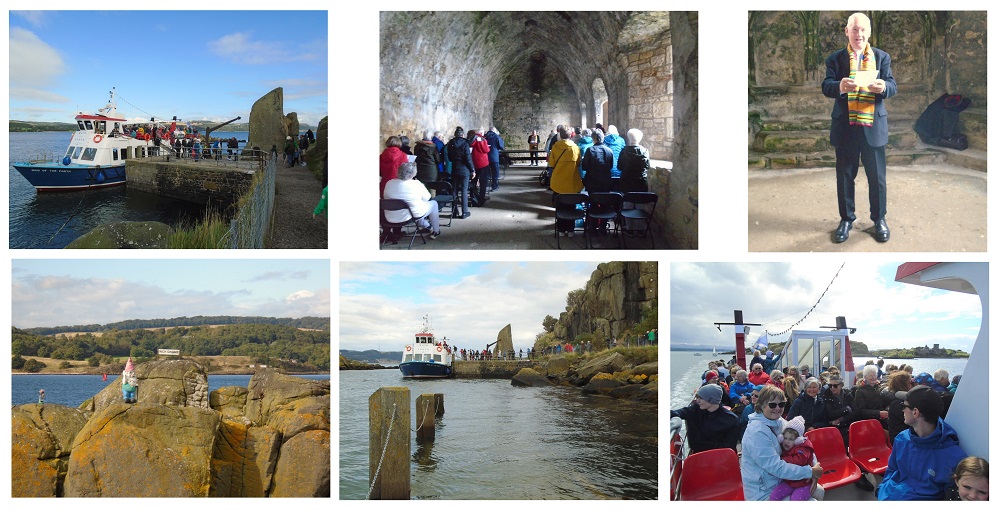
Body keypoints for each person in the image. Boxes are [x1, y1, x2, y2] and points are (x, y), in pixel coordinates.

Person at [822, 12, 897, 243]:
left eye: (863, 30)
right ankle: (846, 220)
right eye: (855, 29)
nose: (859, 34)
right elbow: (826, 86)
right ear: (847, 32)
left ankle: (879, 219)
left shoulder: (882, 57)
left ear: (869, 33)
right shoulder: (835, 59)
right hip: (846, 125)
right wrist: (840, 86)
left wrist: (883, 86)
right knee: (845, 176)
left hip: (872, 125)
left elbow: (893, 85)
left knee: (877, 178)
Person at [878, 385, 967, 500]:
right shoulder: (902, 439)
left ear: (915, 412)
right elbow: (892, 469)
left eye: (904, 406)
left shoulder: (955, 458)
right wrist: (882, 489)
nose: (903, 410)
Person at [742, 384, 825, 500]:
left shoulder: (779, 421)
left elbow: (803, 443)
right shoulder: (756, 431)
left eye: (781, 404)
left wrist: (814, 467)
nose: (777, 408)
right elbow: (775, 466)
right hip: (763, 489)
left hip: (781, 480)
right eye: (772, 405)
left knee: (820, 491)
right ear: (761, 405)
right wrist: (810, 472)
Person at [669, 383, 739, 454]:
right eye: (697, 397)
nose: (697, 401)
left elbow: (730, 445)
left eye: (701, 398)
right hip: (697, 455)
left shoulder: (731, 419)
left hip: (719, 457)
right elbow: (678, 412)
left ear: (712, 399)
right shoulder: (694, 410)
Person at [382, 162, 441, 240]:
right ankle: (436, 231)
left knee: (414, 205)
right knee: (433, 204)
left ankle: (427, 225)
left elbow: (385, 196)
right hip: (410, 216)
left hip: (389, 217)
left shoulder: (389, 183)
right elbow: (427, 197)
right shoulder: (416, 183)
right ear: (413, 173)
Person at [770, 416, 817, 501]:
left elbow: (799, 461)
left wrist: (783, 459)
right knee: (774, 496)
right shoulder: (789, 447)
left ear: (798, 440)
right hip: (790, 481)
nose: (787, 441)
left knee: (795, 500)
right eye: (785, 438)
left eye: (791, 439)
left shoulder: (803, 449)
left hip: (804, 483)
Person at [548, 126, 582, 236]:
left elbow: (552, 164)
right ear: (570, 135)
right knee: (571, 205)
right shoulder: (575, 148)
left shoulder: (555, 147)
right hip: (572, 180)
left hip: (558, 181)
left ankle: (561, 229)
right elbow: (578, 163)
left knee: (560, 205)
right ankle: (571, 230)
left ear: (560, 135)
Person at [446, 127, 474, 219]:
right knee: (464, 190)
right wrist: (472, 170)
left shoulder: (451, 143)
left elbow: (450, 158)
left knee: (454, 191)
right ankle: (464, 212)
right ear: (462, 135)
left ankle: (454, 212)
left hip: (454, 169)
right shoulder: (465, 144)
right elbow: (468, 158)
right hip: (464, 169)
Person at [617, 128, 650, 193]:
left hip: (626, 185)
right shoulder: (645, 151)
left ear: (629, 138)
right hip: (641, 184)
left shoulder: (624, 151)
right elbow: (647, 166)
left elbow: (619, 167)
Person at [886, 370, 914, 442]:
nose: (912, 385)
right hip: (900, 438)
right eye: (910, 383)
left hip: (907, 434)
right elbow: (912, 421)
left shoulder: (902, 400)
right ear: (903, 385)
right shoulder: (897, 403)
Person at [470, 129, 491, 206]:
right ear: (481, 133)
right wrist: (488, 148)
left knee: (474, 180)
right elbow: (485, 150)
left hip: (475, 161)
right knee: (483, 181)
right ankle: (481, 197)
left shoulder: (472, 139)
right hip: (483, 162)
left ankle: (473, 196)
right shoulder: (483, 139)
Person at [485, 126, 504, 191]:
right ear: (494, 131)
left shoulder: (485, 137)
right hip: (494, 157)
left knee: (486, 173)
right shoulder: (496, 137)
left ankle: (485, 186)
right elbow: (501, 146)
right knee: (495, 172)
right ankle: (494, 186)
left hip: (486, 157)